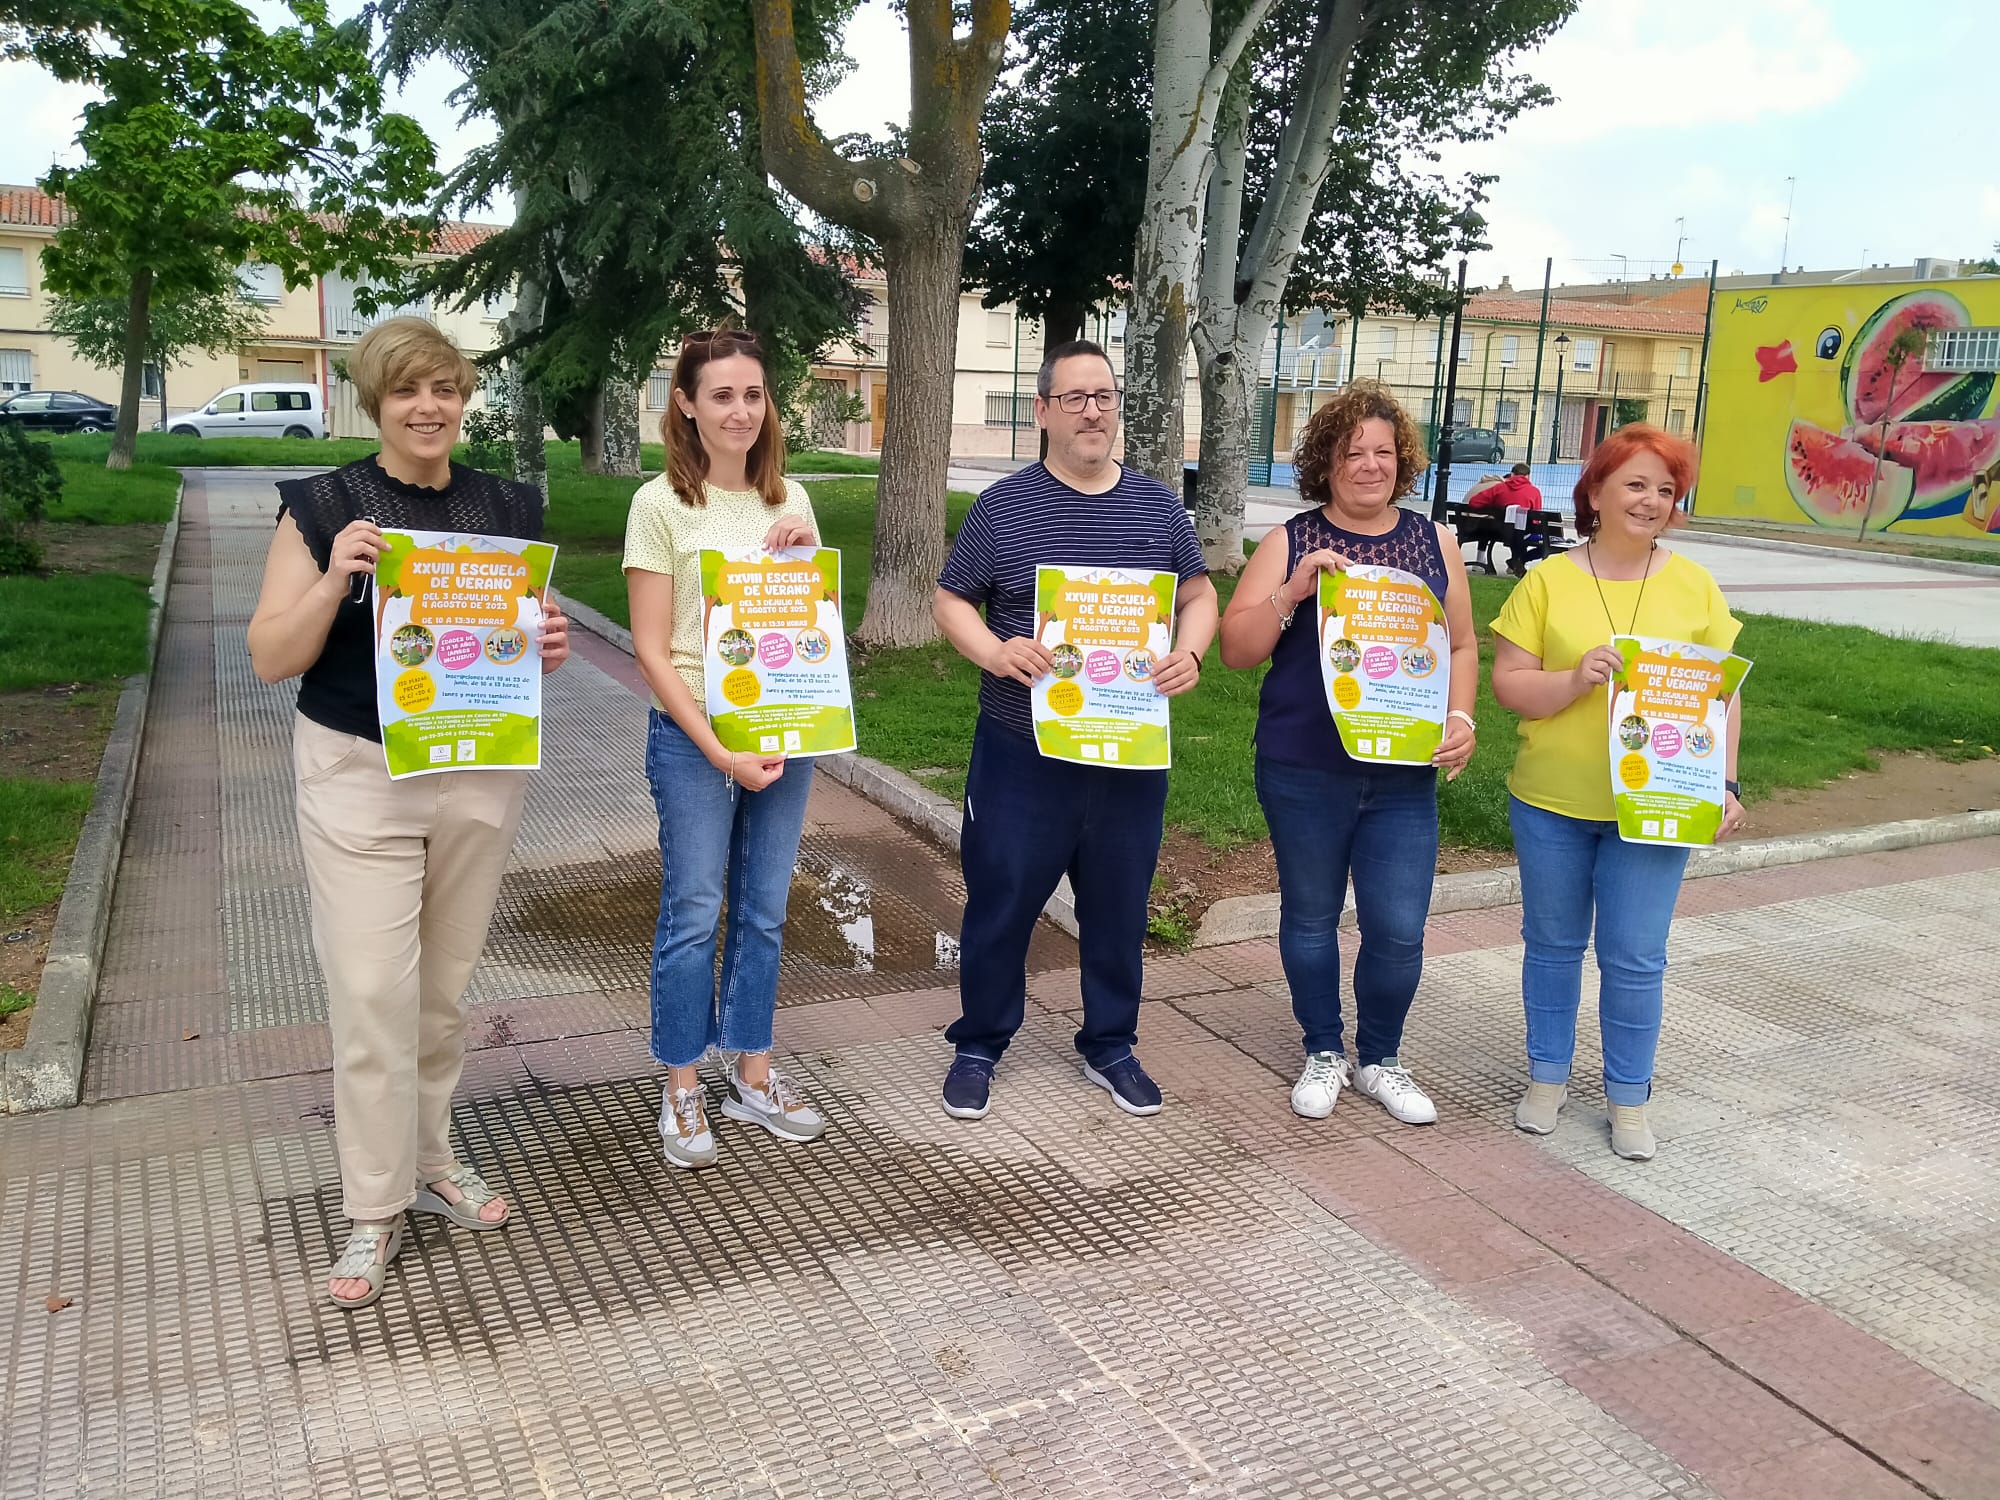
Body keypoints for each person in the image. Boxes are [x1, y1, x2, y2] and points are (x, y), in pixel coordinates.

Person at [247, 317, 571, 1310]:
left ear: (463, 394)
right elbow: (270, 654)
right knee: (371, 996)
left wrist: (545, 638)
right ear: (374, 402)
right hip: (356, 772)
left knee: (440, 992)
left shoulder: (505, 505)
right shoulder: (323, 507)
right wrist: (340, 573)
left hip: (475, 767)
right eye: (405, 392)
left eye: (443, 387)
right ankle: (372, 1207)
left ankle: (432, 1156)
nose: (427, 407)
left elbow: (515, 637)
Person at [933, 339, 1218, 1120]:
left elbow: (1198, 593)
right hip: (1022, 752)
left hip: (1128, 748)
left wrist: (1190, 651)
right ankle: (981, 1042)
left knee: (1120, 906)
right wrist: (995, 650)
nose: (1093, 412)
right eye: (1075, 398)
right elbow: (951, 598)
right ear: (1043, 412)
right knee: (1001, 900)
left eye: (1105, 396)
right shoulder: (1005, 506)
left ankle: (1110, 1044)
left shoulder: (1158, 505)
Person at [1218, 381, 1478, 1127]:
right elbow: (1238, 650)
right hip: (1304, 765)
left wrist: (1461, 714)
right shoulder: (1290, 542)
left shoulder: (1435, 544)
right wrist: (1292, 592)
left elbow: (1460, 643)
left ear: (1404, 462)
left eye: (1383, 452)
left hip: (1402, 772)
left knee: (1398, 926)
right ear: (1325, 465)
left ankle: (1383, 1058)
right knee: (1310, 914)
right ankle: (1324, 1049)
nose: (1369, 465)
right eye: (1352, 452)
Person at [1490, 424, 1745, 1161]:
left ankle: (1629, 1098)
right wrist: (1574, 680)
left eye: (1666, 490)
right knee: (1553, 946)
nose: (1652, 501)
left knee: (1635, 957)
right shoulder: (1548, 581)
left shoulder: (1694, 585)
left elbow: (1723, 696)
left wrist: (1725, 781)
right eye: (1636, 484)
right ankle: (1546, 1079)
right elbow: (1510, 685)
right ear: (1595, 491)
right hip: (1553, 804)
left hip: (1657, 808)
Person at [624, 326, 828, 1170]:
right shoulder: (660, 505)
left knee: (766, 907)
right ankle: (680, 1083)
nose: (740, 411)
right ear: (686, 404)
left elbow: (814, 630)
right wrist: (715, 750)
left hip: (786, 731)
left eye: (752, 394)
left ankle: (753, 1069)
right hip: (693, 737)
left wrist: (808, 560)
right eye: (721, 396)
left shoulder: (794, 500)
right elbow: (647, 647)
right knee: (695, 910)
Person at [1467, 463, 1546, 574]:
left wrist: (1493, 507)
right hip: (1523, 533)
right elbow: (1536, 519)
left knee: (1515, 530)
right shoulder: (1534, 492)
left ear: (1512, 474)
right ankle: (1517, 561)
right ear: (1528, 476)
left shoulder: (1499, 488)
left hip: (1500, 531)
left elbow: (1474, 502)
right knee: (1543, 540)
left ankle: (1515, 562)